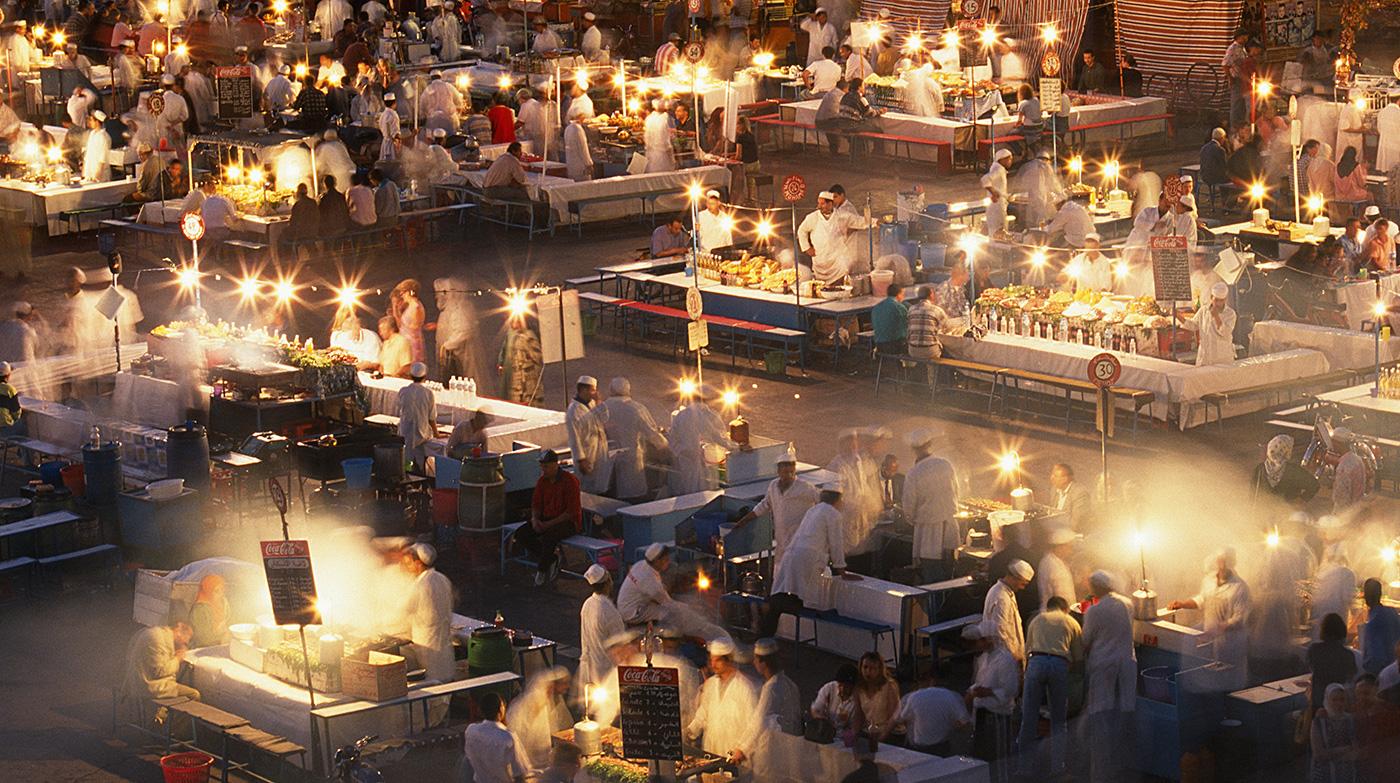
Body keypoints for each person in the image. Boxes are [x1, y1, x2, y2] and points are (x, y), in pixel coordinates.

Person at [763, 484, 855, 636]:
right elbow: (836, 543)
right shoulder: (833, 514)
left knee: (779, 600)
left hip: (792, 554)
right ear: (837, 499)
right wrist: (841, 569)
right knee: (801, 597)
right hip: (808, 557)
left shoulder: (814, 509)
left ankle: (764, 640)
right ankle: (768, 639)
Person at [1017, 595, 1082, 776]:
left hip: (1036, 662)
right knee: (1059, 721)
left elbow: (1027, 649)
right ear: (1065, 608)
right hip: (1059, 664)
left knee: (1028, 719)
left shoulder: (1036, 620)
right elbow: (1078, 658)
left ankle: (1023, 768)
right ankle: (1057, 768)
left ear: (1049, 607)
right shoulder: (1071, 622)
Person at [1169, 547, 1252, 686]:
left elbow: (1240, 618)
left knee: (1229, 681)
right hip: (1210, 642)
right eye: (1221, 560)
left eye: (1227, 561)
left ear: (1233, 562)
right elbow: (1201, 600)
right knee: (1212, 679)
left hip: (1230, 644)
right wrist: (1182, 604)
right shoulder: (1208, 580)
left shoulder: (1240, 588)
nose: (1223, 564)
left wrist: (1220, 627)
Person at [1082, 571, 1135, 783]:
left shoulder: (1094, 611)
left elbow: (1086, 640)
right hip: (1126, 662)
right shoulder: (1127, 604)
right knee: (1124, 712)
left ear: (1096, 587)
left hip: (1103, 665)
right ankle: (1124, 766)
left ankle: (1101, 773)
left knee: (1101, 715)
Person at [617, 543, 728, 642]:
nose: (668, 562)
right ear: (657, 561)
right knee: (668, 613)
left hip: (626, 603)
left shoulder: (641, 565)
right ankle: (672, 637)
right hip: (632, 612)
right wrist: (689, 608)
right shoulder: (652, 584)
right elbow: (669, 604)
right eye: (665, 560)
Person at [733, 448, 818, 567]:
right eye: (785, 472)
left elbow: (821, 502)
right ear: (778, 471)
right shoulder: (773, 486)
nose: (788, 476)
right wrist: (744, 521)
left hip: (800, 543)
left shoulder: (805, 488)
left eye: (791, 472)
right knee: (780, 575)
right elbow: (764, 505)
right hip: (781, 543)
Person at [687, 639, 760, 769]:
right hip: (711, 751)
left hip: (733, 754)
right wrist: (689, 731)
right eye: (711, 660)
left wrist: (742, 749)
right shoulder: (710, 684)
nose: (713, 665)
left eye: (718, 660)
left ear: (729, 660)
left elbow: (754, 724)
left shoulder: (745, 687)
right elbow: (702, 714)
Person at [512, 450, 580, 585]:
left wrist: (548, 524)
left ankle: (542, 571)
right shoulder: (542, 481)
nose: (544, 469)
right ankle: (551, 559)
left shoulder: (569, 480)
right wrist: (535, 519)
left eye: (546, 466)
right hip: (546, 518)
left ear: (555, 465)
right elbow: (536, 505)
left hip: (567, 522)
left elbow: (570, 512)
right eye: (542, 466)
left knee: (550, 536)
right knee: (521, 534)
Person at [902, 428, 958, 582]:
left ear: (914, 449)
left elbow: (908, 506)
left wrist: (911, 520)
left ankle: (934, 605)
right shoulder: (946, 464)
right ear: (930, 444)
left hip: (928, 532)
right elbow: (956, 491)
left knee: (932, 577)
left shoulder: (914, 473)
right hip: (950, 527)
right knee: (949, 573)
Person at [599, 377, 667, 501]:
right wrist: (665, 445)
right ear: (628, 391)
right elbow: (653, 434)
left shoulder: (602, 408)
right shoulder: (636, 409)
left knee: (610, 501)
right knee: (632, 500)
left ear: (611, 390)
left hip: (607, 462)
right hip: (631, 462)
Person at [963, 623, 1018, 773]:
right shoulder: (983, 658)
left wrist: (988, 692)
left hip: (998, 715)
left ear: (989, 640)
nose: (977, 644)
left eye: (980, 640)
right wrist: (972, 693)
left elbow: (1011, 689)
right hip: (981, 713)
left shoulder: (1005, 660)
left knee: (998, 760)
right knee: (982, 758)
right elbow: (979, 682)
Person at [667, 385, 738, 495]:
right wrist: (736, 447)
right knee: (703, 492)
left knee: (688, 489)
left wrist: (682, 451)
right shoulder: (703, 414)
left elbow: (671, 439)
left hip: (685, 461)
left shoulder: (680, 415)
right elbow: (716, 436)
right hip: (703, 463)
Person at [399, 543, 455, 683]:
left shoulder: (419, 585)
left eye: (408, 563)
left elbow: (402, 611)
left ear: (418, 563)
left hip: (427, 643)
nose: (406, 567)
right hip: (444, 640)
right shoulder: (442, 578)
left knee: (432, 682)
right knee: (445, 678)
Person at [798, 190, 872, 284]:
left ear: (830, 204)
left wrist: (874, 222)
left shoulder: (842, 216)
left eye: (822, 204)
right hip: (820, 259)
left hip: (837, 262)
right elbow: (801, 231)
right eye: (818, 203)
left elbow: (860, 221)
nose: (819, 206)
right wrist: (807, 248)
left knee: (839, 286)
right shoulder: (812, 217)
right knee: (821, 287)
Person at [506, 667, 572, 770]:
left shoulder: (554, 698)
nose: (567, 687)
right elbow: (529, 730)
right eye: (564, 684)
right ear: (554, 685)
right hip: (532, 752)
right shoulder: (535, 701)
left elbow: (562, 723)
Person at [461, 692, 530, 783]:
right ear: (501, 710)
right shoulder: (508, 737)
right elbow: (519, 774)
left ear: (481, 710)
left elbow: (468, 756)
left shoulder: (471, 730)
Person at [123, 620, 199, 702]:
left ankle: (162, 712)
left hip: (140, 682)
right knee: (194, 694)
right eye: (187, 638)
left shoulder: (159, 634)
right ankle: (165, 713)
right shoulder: (159, 639)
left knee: (179, 686)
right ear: (179, 631)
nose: (186, 642)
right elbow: (160, 671)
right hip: (148, 686)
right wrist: (178, 658)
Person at [578, 564, 624, 693]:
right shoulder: (609, 611)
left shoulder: (587, 604)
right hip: (605, 672)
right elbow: (619, 644)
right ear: (608, 583)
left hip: (587, 669)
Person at [432, 276, 485, 386]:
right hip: (450, 357)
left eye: (442, 292)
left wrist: (447, 345)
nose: (438, 296)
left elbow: (464, 330)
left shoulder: (458, 308)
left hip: (459, 357)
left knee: (462, 383)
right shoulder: (448, 309)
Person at [566, 375, 611, 495]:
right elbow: (574, 438)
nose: (594, 393)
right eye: (592, 390)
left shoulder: (591, 404)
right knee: (588, 487)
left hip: (599, 450)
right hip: (587, 453)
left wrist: (598, 401)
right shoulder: (574, 411)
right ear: (584, 390)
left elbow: (604, 418)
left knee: (601, 482)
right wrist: (581, 459)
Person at [982, 560, 1032, 665]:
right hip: (1004, 659)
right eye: (1022, 584)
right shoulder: (1001, 598)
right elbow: (999, 633)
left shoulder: (1006, 592)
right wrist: (1013, 657)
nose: (1022, 588)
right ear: (1014, 577)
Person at [1310, 612, 1360, 716]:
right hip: (1338, 705)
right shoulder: (1348, 654)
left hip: (1318, 703)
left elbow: (1312, 668)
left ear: (1323, 630)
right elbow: (1351, 677)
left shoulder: (1314, 649)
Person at [1311, 683, 1359, 783]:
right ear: (1327, 700)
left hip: (1347, 773)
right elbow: (1318, 754)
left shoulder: (1350, 719)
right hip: (1324, 774)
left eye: (1342, 699)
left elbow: (1356, 748)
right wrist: (1345, 749)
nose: (1338, 703)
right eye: (1334, 700)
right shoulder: (1319, 721)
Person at [1252, 434, 1320, 504]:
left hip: (1287, 513)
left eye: (1281, 450)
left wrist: (1301, 500)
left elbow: (1314, 485)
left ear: (1286, 453)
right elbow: (1253, 494)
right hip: (1263, 512)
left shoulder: (1293, 471)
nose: (1276, 452)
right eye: (1275, 447)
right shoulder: (1260, 469)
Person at [1181, 282, 1236, 366]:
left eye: (1221, 300)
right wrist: (1178, 317)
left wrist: (1216, 316)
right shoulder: (1204, 310)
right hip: (1205, 356)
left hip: (1222, 358)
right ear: (1211, 297)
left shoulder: (1230, 314)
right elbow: (1193, 325)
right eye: (1216, 300)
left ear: (1225, 299)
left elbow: (1225, 333)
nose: (1218, 303)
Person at [395, 362, 436, 472]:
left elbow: (399, 408)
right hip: (422, 433)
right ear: (425, 377)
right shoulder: (428, 393)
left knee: (407, 459)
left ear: (410, 375)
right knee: (420, 460)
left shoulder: (403, 391)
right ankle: (420, 477)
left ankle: (407, 475)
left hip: (405, 431)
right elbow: (431, 418)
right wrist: (437, 434)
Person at [499, 310, 543, 406]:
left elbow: (537, 359)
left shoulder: (528, 337)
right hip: (514, 378)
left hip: (527, 380)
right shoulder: (511, 334)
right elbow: (505, 349)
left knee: (528, 404)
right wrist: (501, 363)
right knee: (514, 403)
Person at [853, 651, 900, 741]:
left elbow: (894, 716)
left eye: (873, 668)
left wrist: (882, 737)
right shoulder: (859, 688)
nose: (868, 671)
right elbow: (858, 714)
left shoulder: (889, 686)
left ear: (879, 670)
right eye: (865, 667)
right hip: (870, 730)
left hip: (890, 731)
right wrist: (854, 734)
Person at [1363, 578, 1400, 675]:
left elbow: (1375, 658)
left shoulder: (1373, 623)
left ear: (1366, 596)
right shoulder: (1392, 612)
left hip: (1382, 673)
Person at [810, 662, 860, 732]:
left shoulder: (857, 701)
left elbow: (853, 727)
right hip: (823, 731)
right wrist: (823, 722)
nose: (842, 689)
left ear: (854, 686)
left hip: (842, 737)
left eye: (846, 687)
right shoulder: (829, 688)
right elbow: (815, 710)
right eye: (840, 685)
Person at [1037, 529, 1077, 612]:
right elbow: (1059, 592)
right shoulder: (1050, 564)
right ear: (1061, 547)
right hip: (1056, 612)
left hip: (1064, 611)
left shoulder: (1059, 562)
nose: (1071, 550)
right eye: (1070, 547)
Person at [1331, 428, 1369, 513]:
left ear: (1338, 443)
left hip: (1345, 511)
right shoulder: (1357, 459)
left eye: (1333, 441)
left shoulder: (1344, 466)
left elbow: (1342, 495)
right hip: (1357, 507)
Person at [1048, 463, 1094, 530]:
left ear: (1065, 479)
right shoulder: (1054, 490)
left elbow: (1076, 524)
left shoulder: (1080, 494)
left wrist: (1055, 524)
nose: (1051, 478)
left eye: (1055, 476)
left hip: (1070, 533)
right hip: (1055, 530)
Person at [188, 575, 229, 648]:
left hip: (220, 643)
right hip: (202, 648)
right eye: (216, 591)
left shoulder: (222, 603)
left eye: (222, 590)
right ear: (208, 591)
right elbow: (203, 638)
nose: (221, 594)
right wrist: (222, 638)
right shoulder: (200, 608)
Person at [870, 283, 907, 356]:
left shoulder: (876, 307)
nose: (904, 297)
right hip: (895, 345)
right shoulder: (899, 307)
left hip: (879, 345)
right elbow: (908, 324)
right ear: (899, 294)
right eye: (903, 294)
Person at [982, 149, 1012, 236]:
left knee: (996, 230)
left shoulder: (997, 168)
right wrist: (994, 192)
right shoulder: (998, 169)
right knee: (998, 229)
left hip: (997, 203)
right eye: (1009, 159)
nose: (1011, 162)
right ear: (1003, 159)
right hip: (997, 205)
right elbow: (985, 179)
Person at [643, 100, 676, 172]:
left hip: (650, 156)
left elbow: (646, 138)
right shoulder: (665, 119)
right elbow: (666, 141)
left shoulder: (649, 118)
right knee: (664, 178)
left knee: (652, 178)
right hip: (662, 157)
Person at [563, 116, 592, 182]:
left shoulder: (568, 128)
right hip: (581, 167)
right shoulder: (578, 129)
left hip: (571, 166)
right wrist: (589, 163)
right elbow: (583, 149)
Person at [0, 362, 21, 432]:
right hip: (4, 427)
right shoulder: (9, 389)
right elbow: (16, 413)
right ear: (8, 375)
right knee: (22, 426)